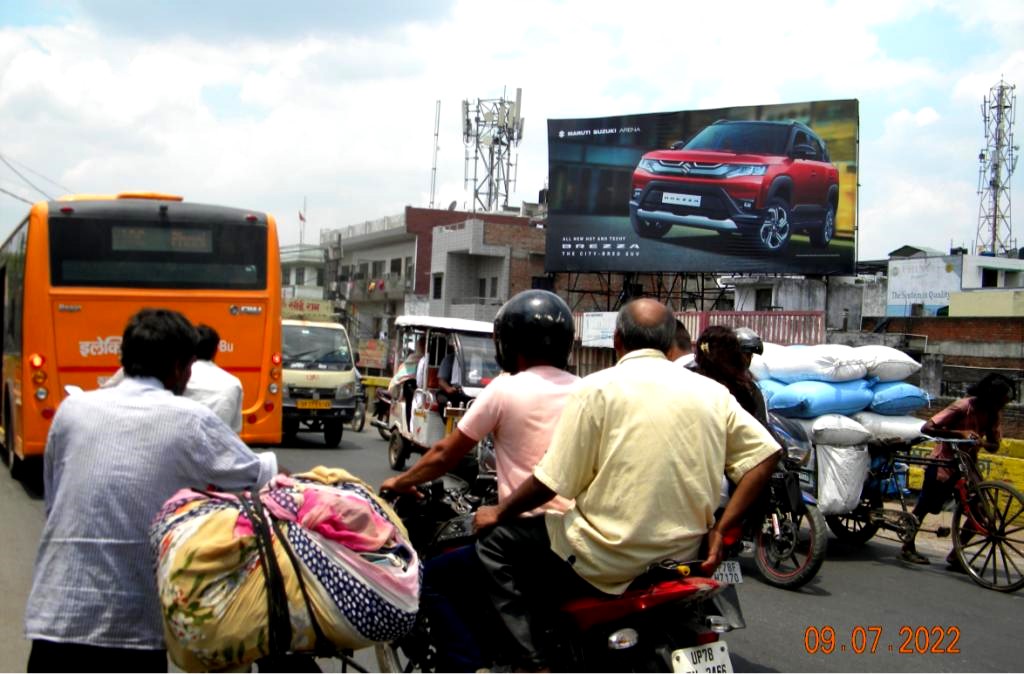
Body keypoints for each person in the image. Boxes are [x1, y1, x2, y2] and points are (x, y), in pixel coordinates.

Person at [473, 298, 781, 670]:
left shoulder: (596, 389)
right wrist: (723, 528)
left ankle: (533, 662)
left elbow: (551, 482)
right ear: (671, 345)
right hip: (684, 557)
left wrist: (499, 511)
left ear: (617, 340)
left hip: (604, 561)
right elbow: (765, 455)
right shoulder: (712, 393)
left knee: (494, 544)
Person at [24, 309, 278, 673]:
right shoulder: (189, 419)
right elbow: (263, 477)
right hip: (132, 629)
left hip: (56, 618)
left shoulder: (71, 410)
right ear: (179, 366)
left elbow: (55, 503)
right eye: (188, 367)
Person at [381, 289, 579, 671]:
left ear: (509, 342)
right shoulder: (587, 389)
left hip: (527, 535)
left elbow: (444, 454)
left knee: (433, 577)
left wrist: (400, 482)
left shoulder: (505, 388)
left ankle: (467, 664)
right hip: (583, 535)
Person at [900, 373, 1016, 567]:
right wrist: (958, 433)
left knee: (981, 512)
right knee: (926, 507)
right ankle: (907, 547)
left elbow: (994, 445)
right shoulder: (963, 406)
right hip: (944, 463)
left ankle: (957, 554)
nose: (1002, 406)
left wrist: (984, 442)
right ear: (991, 396)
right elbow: (927, 428)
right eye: (1000, 401)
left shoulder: (993, 413)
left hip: (968, 466)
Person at [691, 325, 768, 427]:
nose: (746, 360)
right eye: (743, 355)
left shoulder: (749, 390)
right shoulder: (695, 381)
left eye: (749, 356)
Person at [184, 324, 244, 433]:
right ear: (216, 349)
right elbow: (235, 429)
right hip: (219, 447)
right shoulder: (233, 383)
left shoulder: (178, 379)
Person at [436, 335, 471, 417]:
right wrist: (448, 388)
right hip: (454, 392)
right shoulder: (449, 359)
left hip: (471, 393)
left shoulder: (478, 360)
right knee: (441, 397)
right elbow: (441, 380)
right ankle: (447, 424)